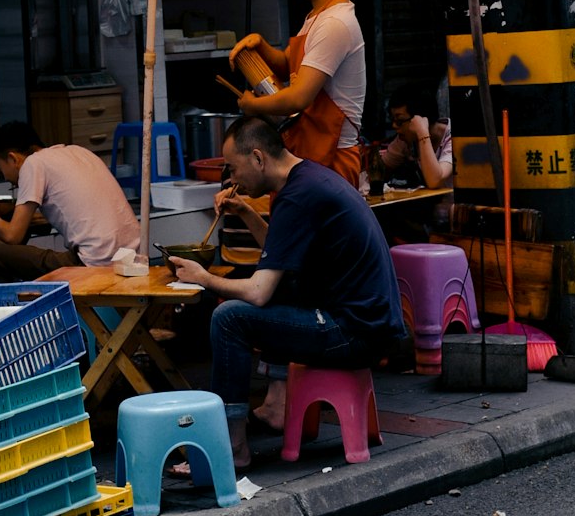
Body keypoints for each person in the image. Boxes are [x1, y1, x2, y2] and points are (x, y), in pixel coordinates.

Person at [171, 116, 406, 469]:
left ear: (258, 158)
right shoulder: (306, 180)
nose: (231, 180)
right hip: (368, 323)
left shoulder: (297, 196)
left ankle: (232, 448)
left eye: (233, 169)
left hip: (355, 331)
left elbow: (259, 292)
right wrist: (248, 213)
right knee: (283, 289)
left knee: (229, 317)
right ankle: (275, 408)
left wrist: (203, 277)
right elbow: (283, 256)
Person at [229, 0, 366, 188]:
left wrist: (252, 106)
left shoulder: (335, 23)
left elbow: (299, 97)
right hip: (310, 152)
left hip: (332, 158)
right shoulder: (316, 18)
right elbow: (286, 67)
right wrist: (261, 45)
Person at [0, 122, 140, 282]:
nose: (4, 175)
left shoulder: (32, 164)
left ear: (13, 158)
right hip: (132, 256)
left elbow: (13, 236)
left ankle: (0, 315)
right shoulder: (78, 151)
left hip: (94, 264)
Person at [379, 83, 453, 190]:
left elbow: (435, 180)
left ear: (420, 119)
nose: (394, 126)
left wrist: (422, 133)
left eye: (400, 121)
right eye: (393, 120)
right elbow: (380, 171)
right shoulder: (405, 139)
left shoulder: (453, 137)